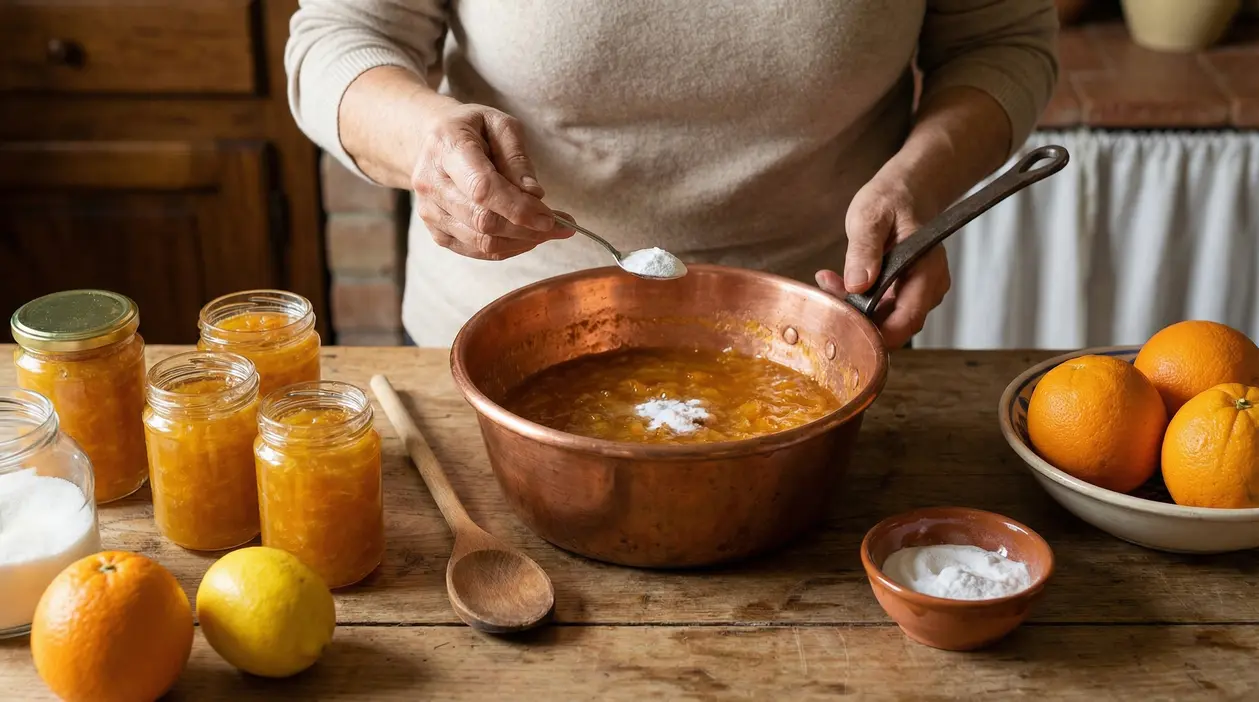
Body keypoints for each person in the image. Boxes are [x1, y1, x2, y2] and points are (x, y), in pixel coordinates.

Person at [286, 1, 1058, 348]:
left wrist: (919, 183)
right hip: (500, 337)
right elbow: (339, 35)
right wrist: (423, 137)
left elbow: (1003, 42)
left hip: (821, 331)